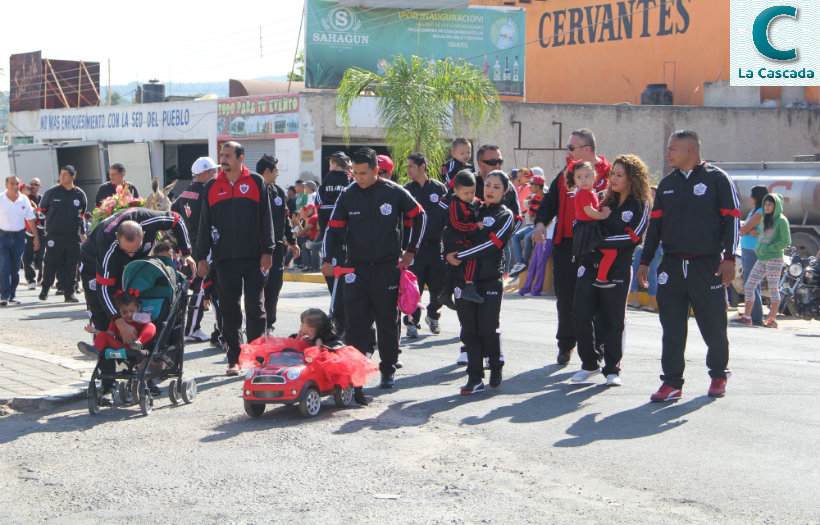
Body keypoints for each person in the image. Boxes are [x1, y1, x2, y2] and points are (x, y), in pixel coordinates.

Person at [638, 130, 740, 401]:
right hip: (671, 266)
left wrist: (729, 258)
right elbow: (655, 225)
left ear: (690, 149)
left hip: (706, 266)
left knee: (713, 325)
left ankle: (718, 374)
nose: (667, 153)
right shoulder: (668, 184)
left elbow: (732, 220)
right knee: (671, 327)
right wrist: (646, 261)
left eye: (673, 148)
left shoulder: (717, 179)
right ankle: (672, 382)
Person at [321, 147, 426, 390]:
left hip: (387, 267)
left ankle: (388, 368)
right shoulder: (347, 195)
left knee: (386, 321)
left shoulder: (394, 192)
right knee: (355, 323)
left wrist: (412, 250)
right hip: (355, 269)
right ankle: (357, 370)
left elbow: (420, 217)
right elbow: (332, 229)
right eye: (355, 173)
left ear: (377, 171)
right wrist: (327, 259)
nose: (359, 178)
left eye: (364, 173)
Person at [570, 154, 651, 387]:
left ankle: (612, 368)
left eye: (619, 175)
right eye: (612, 173)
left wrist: (595, 242)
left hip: (617, 269)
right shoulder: (604, 200)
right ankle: (589, 364)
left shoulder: (640, 205)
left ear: (632, 178)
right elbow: (583, 222)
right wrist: (586, 238)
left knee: (613, 320)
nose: (612, 179)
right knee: (581, 314)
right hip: (589, 265)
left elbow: (632, 237)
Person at [196, 141, 274, 376]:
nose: (223, 159)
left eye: (228, 155)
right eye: (222, 155)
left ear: (241, 158)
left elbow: (266, 218)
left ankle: (258, 358)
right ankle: (234, 359)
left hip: (253, 258)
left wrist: (268, 250)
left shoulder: (256, 182)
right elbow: (203, 225)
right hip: (224, 258)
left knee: (255, 308)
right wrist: (201, 257)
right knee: (229, 311)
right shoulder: (211, 186)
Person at [533, 128, 611, 365]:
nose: (567, 152)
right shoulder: (567, 174)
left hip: (597, 246)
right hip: (566, 245)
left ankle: (600, 346)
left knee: (598, 298)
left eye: (571, 148)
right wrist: (539, 223)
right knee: (566, 297)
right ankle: (566, 345)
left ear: (587, 150)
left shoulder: (610, 175)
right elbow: (549, 203)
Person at [446, 170, 518, 394]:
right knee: (469, 331)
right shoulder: (469, 207)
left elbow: (492, 245)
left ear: (505, 191)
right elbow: (450, 231)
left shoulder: (505, 215)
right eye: (488, 185)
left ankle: (495, 364)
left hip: (489, 280)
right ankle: (474, 377)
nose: (490, 190)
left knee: (487, 329)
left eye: (497, 187)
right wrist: (447, 253)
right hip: (463, 279)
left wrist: (461, 256)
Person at [80, 209, 194, 335]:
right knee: (102, 313)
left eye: (135, 250)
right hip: (93, 263)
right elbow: (104, 289)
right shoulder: (107, 244)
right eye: (126, 251)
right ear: (117, 237)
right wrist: (119, 322)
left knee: (129, 301)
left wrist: (186, 253)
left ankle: (130, 347)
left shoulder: (150, 220)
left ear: (144, 234)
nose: (130, 255)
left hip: (127, 267)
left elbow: (177, 220)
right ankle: (103, 347)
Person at [402, 152, 449, 337]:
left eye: (410, 166)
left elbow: (448, 216)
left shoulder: (439, 189)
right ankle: (412, 322)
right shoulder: (405, 190)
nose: (407, 170)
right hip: (414, 249)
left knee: (439, 286)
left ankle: (433, 315)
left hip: (436, 246)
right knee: (414, 288)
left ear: (422, 167)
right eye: (406, 166)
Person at [172, 156, 218, 343]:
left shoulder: (184, 193)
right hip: (204, 245)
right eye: (214, 171)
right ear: (205, 173)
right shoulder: (208, 191)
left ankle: (181, 327)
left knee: (189, 288)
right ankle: (192, 328)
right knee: (200, 287)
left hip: (189, 246)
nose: (216, 175)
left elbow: (173, 215)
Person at [295, 308, 377, 405]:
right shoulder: (306, 338)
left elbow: (317, 353)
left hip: (317, 367)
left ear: (310, 329)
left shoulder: (318, 340)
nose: (300, 326)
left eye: (302, 324)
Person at [258, 154, 299, 335]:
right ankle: (254, 322)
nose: (278, 174)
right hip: (256, 249)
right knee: (257, 287)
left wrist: (293, 241)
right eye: (276, 170)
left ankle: (269, 325)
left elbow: (285, 220)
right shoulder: (251, 189)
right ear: (267, 171)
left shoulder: (279, 192)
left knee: (274, 287)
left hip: (276, 249)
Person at [737, 193, 791, 328]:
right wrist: (755, 237)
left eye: (770, 204)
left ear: (776, 206)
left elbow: (786, 241)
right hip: (762, 258)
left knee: (773, 289)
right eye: (765, 204)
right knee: (749, 285)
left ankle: (772, 319)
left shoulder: (782, 220)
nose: (767, 207)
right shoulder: (764, 219)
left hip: (774, 259)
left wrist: (770, 248)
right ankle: (747, 317)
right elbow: (761, 235)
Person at [37, 165, 88, 303]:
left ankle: (69, 293)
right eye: (61, 174)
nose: (62, 177)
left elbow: (81, 215)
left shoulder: (79, 194)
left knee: (71, 265)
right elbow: (42, 209)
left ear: (73, 177)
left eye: (65, 174)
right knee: (51, 263)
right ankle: (45, 289)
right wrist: (54, 219)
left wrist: (83, 233)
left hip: (72, 236)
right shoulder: (52, 192)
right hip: (55, 235)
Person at [316, 152, 352, 331]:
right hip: (350, 239)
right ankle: (348, 320)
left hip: (331, 239)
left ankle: (340, 320)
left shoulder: (325, 183)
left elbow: (320, 206)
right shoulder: (351, 182)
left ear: (333, 164)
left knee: (334, 283)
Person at [439, 170, 486, 306]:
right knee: (471, 256)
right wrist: (475, 226)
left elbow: (479, 203)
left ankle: (445, 293)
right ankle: (469, 285)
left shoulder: (473, 200)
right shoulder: (454, 204)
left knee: (453, 267)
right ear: (456, 191)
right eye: (466, 193)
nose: (470, 196)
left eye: (472, 192)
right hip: (454, 239)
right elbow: (457, 224)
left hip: (463, 237)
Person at [569, 161, 618, 288]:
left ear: (595, 176)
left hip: (589, 228)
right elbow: (589, 212)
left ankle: (598, 277)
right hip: (588, 229)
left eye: (587, 176)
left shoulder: (591, 192)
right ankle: (601, 278)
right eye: (579, 177)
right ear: (574, 179)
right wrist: (604, 215)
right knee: (611, 252)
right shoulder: (584, 193)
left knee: (599, 255)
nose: (583, 180)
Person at [78, 289, 155, 363]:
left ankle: (139, 342)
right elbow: (109, 336)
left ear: (138, 308)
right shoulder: (117, 322)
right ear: (119, 311)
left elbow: (148, 328)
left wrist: (146, 318)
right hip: (121, 346)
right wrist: (94, 331)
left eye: (132, 311)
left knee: (151, 326)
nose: (129, 315)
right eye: (124, 312)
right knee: (103, 335)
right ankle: (96, 350)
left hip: (138, 346)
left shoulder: (140, 319)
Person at [730, 184, 769, 326]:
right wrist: (747, 228)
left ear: (755, 197)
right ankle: (754, 315)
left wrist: (746, 228)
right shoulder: (756, 211)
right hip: (749, 249)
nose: (750, 198)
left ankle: (755, 316)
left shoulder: (759, 212)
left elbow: (742, 230)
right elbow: (746, 228)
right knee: (752, 283)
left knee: (750, 282)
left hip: (753, 250)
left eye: (752, 195)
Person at [1, 176, 39, 306]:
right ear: (6, 185)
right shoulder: (1, 198)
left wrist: (36, 238)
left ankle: (12, 295)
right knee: (4, 266)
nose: (15, 186)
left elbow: (30, 220)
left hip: (18, 237)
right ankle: (5, 296)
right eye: (12, 183)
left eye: (17, 184)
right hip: (3, 237)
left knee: (15, 268)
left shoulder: (24, 200)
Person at [628, 186, 662, 312]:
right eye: (649, 194)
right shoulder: (642, 210)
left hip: (656, 245)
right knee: (634, 269)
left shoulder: (660, 211)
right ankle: (634, 299)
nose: (651, 197)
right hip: (640, 244)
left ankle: (652, 303)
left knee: (652, 273)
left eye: (653, 195)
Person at [509, 172, 545, 277]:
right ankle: (519, 262)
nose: (530, 187)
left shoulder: (547, 198)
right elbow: (533, 217)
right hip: (535, 225)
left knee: (528, 236)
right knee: (515, 236)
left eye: (532, 185)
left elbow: (547, 216)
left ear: (538, 187)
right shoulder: (533, 200)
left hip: (544, 226)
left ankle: (525, 262)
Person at [23, 178, 44, 289]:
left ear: (39, 186)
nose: (32, 186)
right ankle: (31, 279)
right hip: (28, 230)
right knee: (27, 256)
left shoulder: (43, 198)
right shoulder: (25, 198)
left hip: (41, 229)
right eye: (30, 184)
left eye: (35, 184)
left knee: (42, 255)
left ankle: (42, 278)